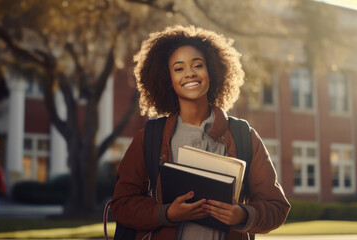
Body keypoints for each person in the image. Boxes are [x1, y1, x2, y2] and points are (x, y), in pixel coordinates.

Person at [111, 25, 290, 240]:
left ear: (212, 71)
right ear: (167, 79)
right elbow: (122, 204)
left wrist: (242, 214)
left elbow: (277, 206)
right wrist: (166, 213)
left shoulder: (244, 136)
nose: (190, 73)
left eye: (198, 65)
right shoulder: (148, 139)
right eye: (178, 68)